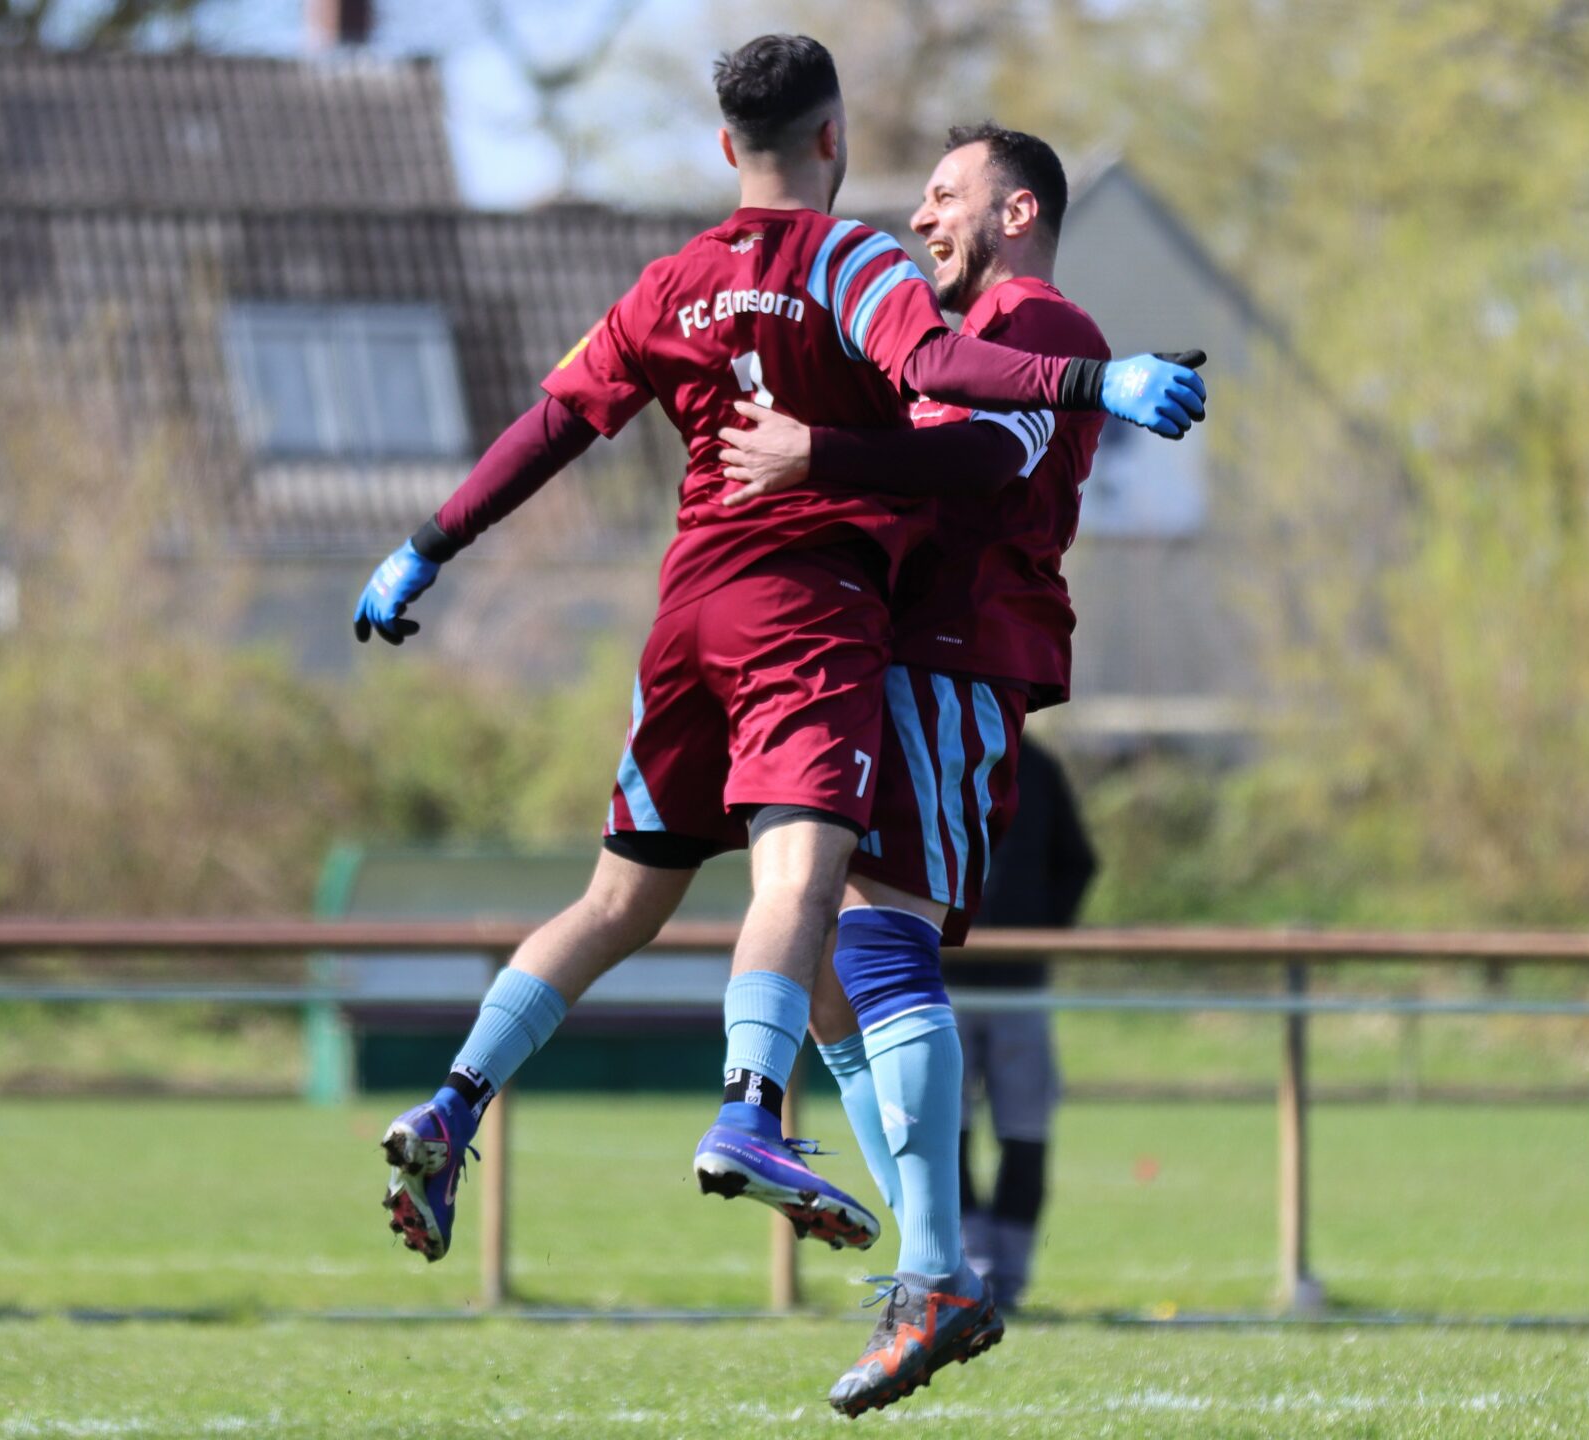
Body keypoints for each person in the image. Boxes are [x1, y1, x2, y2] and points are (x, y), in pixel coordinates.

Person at [354, 31, 1206, 1305]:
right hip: (801, 615)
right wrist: (1103, 377)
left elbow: (551, 426)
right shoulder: (851, 259)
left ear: (721, 146)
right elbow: (934, 369)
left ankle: (453, 1099)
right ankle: (751, 1109)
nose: (916, 211)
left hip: (684, 610)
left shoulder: (669, 282)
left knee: (617, 905)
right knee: (804, 887)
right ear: (831, 139)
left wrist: (424, 547)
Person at [713, 124, 1114, 1411]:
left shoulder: (1042, 322)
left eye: (945, 196)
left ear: (1018, 212)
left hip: (954, 656)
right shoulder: (955, 342)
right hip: (892, 657)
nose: (920, 216)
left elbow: (984, 460)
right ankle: (931, 1264)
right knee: (821, 954)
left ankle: (937, 1270)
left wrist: (817, 455)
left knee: (884, 946)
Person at [953, 736, 1091, 1312]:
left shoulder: (1038, 767)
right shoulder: (932, 752)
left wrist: (1037, 937)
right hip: (941, 985)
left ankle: (1008, 1276)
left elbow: (1077, 863)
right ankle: (964, 1267)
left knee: (1026, 1134)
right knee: (940, 1135)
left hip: (1020, 990)